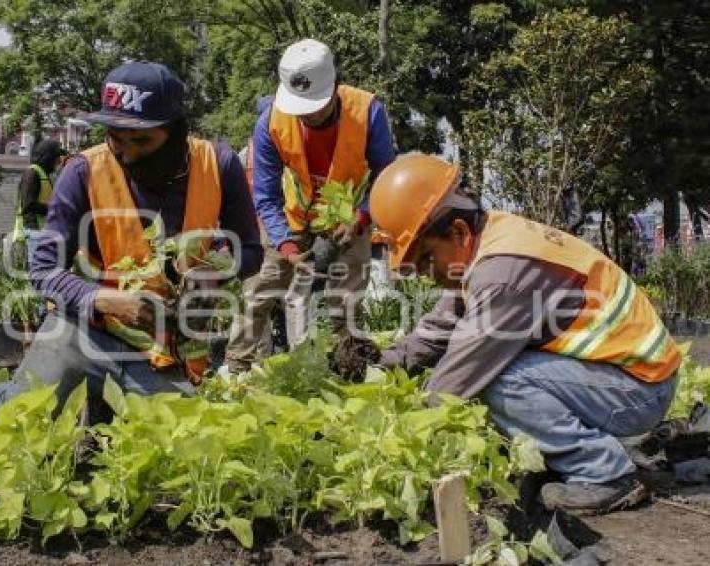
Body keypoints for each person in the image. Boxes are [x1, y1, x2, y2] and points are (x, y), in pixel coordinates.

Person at [370, 153, 681, 515]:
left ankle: (605, 473)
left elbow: (456, 380)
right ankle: (579, 452)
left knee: (497, 380)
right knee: (496, 369)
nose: (425, 273)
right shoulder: (488, 244)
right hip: (621, 376)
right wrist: (380, 364)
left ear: (457, 232)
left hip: (639, 390)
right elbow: (440, 328)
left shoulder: (503, 274)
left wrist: (395, 426)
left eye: (425, 259)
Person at [0, 61, 263, 417]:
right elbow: (42, 270)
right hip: (81, 331)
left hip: (161, 348)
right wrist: (106, 300)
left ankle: (99, 403)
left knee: (178, 443)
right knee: (19, 418)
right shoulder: (83, 171)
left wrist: (217, 271)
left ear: (177, 133)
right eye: (116, 139)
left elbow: (251, 250)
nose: (127, 153)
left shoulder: (219, 166)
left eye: (142, 141)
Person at [225, 39, 396, 372]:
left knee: (347, 299)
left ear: (334, 88)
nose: (308, 114)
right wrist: (287, 247)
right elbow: (265, 195)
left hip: (350, 218)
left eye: (315, 105)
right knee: (259, 292)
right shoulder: (270, 123)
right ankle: (235, 370)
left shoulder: (368, 111)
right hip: (291, 219)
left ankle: (352, 371)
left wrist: (361, 216)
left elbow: (385, 177)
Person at [12, 139, 68, 264]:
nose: (59, 161)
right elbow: (28, 205)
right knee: (38, 269)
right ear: (48, 157)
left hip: (43, 230)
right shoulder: (32, 173)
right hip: (34, 230)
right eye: (56, 157)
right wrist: (54, 208)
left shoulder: (44, 175)